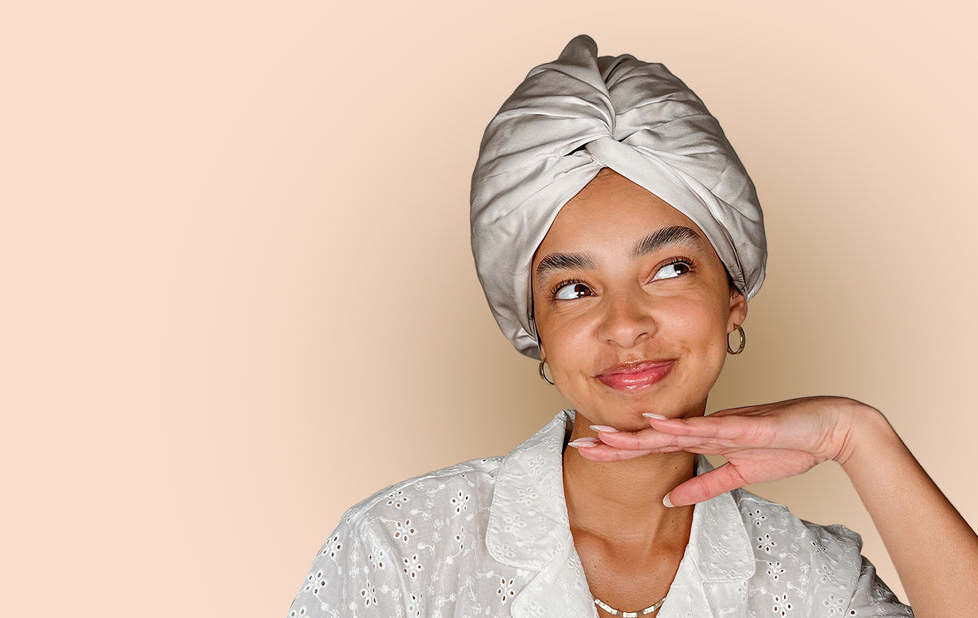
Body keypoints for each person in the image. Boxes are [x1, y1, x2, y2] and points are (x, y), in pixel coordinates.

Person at [287, 35, 978, 617]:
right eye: (575, 287)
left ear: (734, 295)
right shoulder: (401, 553)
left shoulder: (812, 583)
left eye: (670, 269)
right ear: (537, 335)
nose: (625, 325)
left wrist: (856, 436)